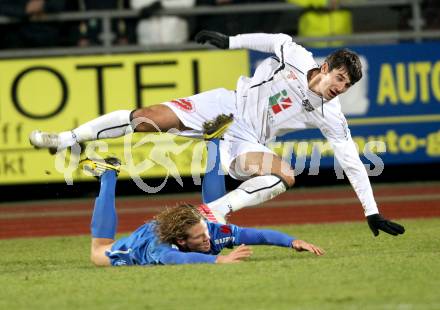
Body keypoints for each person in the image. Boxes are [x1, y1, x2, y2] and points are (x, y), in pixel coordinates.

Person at [29, 30, 405, 237]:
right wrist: (231, 42)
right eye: (339, 78)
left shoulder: (331, 114)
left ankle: (211, 213)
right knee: (146, 120)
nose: (340, 88)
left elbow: (352, 162)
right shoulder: (296, 57)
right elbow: (272, 39)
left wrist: (371, 212)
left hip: (248, 139)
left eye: (347, 85)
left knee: (284, 174)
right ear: (326, 67)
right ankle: (66, 139)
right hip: (225, 106)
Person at [83, 157, 324, 266]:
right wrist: (221, 260)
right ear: (181, 240)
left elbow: (258, 235)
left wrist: (292, 241)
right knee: (99, 251)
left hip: (185, 220)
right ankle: (108, 176)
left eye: (205, 232)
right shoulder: (161, 247)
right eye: (199, 237)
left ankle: (214, 142)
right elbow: (180, 259)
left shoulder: (211, 231)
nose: (207, 239)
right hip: (140, 242)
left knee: (214, 209)